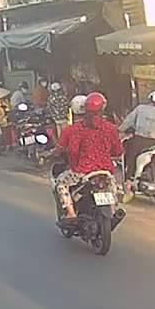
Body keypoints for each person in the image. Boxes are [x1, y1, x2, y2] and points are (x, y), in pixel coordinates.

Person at [54, 92, 123, 220]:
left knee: (60, 183)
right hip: (106, 170)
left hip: (83, 170)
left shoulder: (76, 129)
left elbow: (72, 151)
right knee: (115, 185)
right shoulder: (111, 128)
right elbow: (118, 151)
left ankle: (71, 213)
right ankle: (114, 210)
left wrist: (73, 164)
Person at [119, 90, 155, 192]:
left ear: (150, 99)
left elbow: (128, 122)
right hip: (154, 143)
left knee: (131, 156)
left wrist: (120, 129)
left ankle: (129, 179)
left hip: (139, 140)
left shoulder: (140, 108)